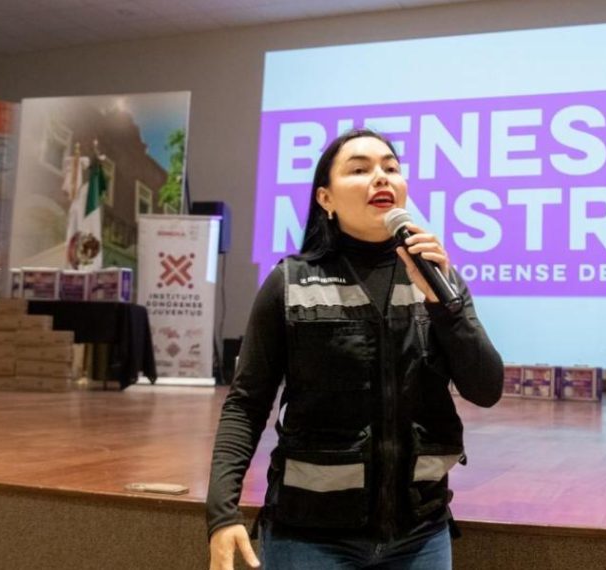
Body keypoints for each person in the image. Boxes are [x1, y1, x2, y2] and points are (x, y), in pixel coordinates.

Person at [207, 128, 504, 569]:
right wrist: (221, 511)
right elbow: (246, 404)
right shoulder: (289, 282)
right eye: (360, 169)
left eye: (390, 168)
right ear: (325, 198)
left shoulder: (439, 279)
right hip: (310, 537)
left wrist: (447, 306)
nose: (381, 177)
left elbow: (486, 388)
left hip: (420, 533)